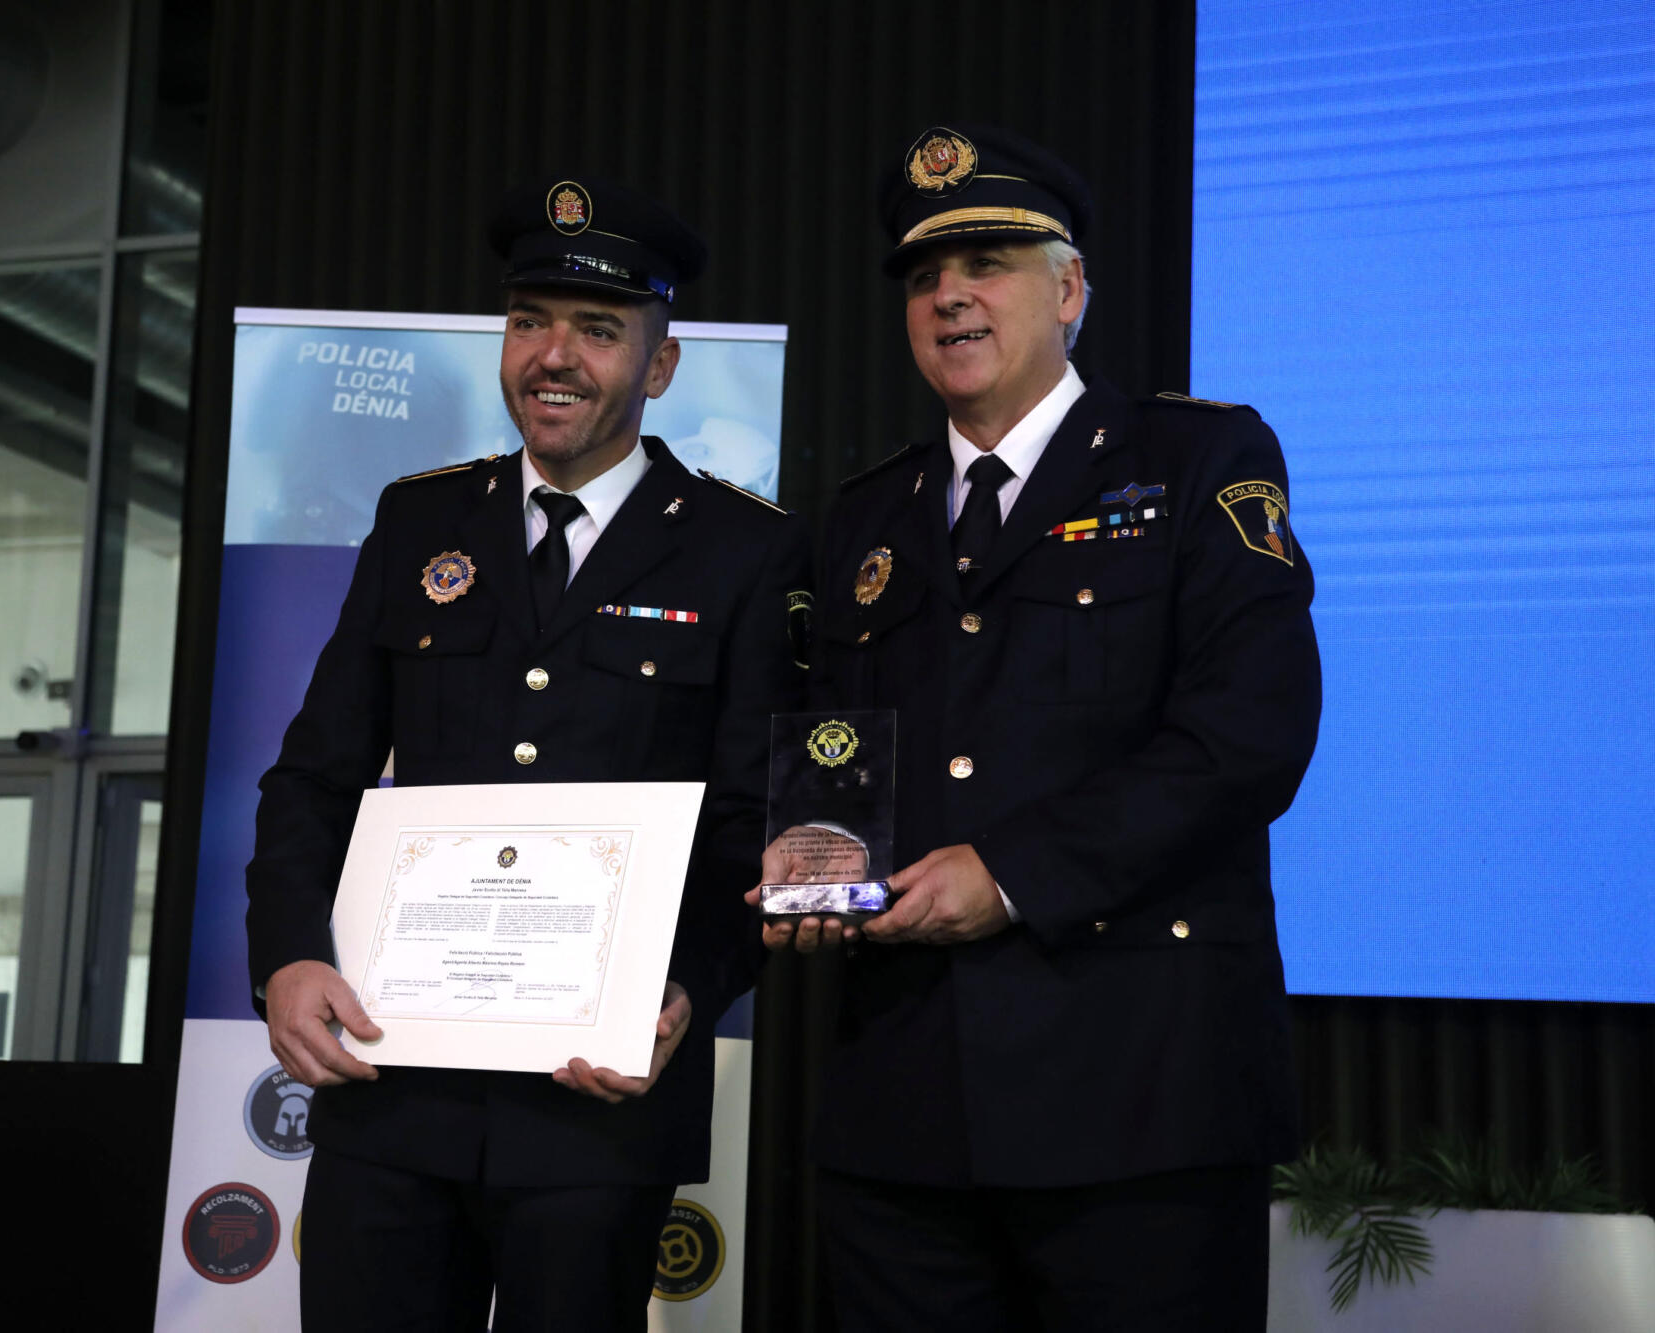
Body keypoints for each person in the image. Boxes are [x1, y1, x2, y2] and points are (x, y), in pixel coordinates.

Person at [753, 125, 1321, 1329]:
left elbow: (1248, 732)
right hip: (903, 1106)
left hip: (1139, 1100)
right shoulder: (863, 517)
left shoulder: (1197, 456)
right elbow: (830, 748)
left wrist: (1011, 874)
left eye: (986, 263)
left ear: (1068, 291)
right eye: (923, 275)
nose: (948, 295)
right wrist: (812, 861)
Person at [248, 175, 811, 1332]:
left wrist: (686, 986)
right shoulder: (419, 521)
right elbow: (316, 773)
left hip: (594, 1105)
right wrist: (288, 957)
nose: (553, 356)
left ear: (659, 365)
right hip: (390, 1089)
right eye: (527, 321)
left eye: (597, 329)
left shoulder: (744, 551)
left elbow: (754, 820)